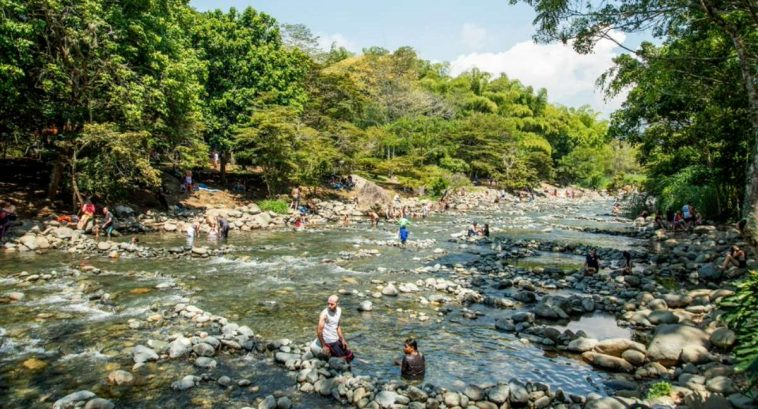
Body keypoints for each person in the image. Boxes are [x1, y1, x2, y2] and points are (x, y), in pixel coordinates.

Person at [317, 295, 353, 362]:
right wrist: (324, 346)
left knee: (350, 355)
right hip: (329, 341)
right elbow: (319, 331)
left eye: (332, 304)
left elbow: (338, 326)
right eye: (328, 304)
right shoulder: (324, 314)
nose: (329, 306)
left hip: (336, 339)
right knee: (343, 359)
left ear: (337, 304)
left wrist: (342, 339)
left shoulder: (339, 310)